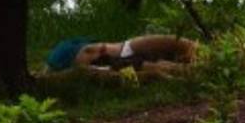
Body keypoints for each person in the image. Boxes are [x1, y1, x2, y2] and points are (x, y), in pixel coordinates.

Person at [43, 35, 198, 82]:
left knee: (177, 46)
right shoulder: (65, 59)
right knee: (148, 65)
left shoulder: (136, 46)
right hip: (111, 60)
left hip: (120, 51)